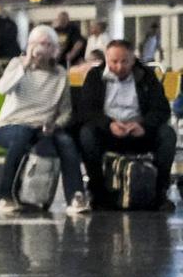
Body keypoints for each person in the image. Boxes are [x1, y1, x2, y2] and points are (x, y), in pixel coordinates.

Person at [0, 25, 88, 217]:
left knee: (66, 142)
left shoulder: (60, 74)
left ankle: (76, 197)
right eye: (35, 43)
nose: (40, 48)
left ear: (54, 50)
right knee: (22, 134)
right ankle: (5, 196)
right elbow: (2, 89)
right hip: (11, 125)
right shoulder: (18, 64)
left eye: (45, 44)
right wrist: (26, 65)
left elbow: (65, 112)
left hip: (43, 128)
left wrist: (55, 125)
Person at [72, 38, 176, 209]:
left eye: (124, 62)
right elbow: (86, 110)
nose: (119, 67)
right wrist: (109, 124)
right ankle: (98, 193)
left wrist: (144, 125)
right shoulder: (95, 76)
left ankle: (159, 193)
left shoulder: (147, 76)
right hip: (108, 132)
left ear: (133, 59)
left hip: (139, 130)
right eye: (114, 62)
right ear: (106, 58)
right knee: (87, 134)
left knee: (167, 134)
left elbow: (161, 109)